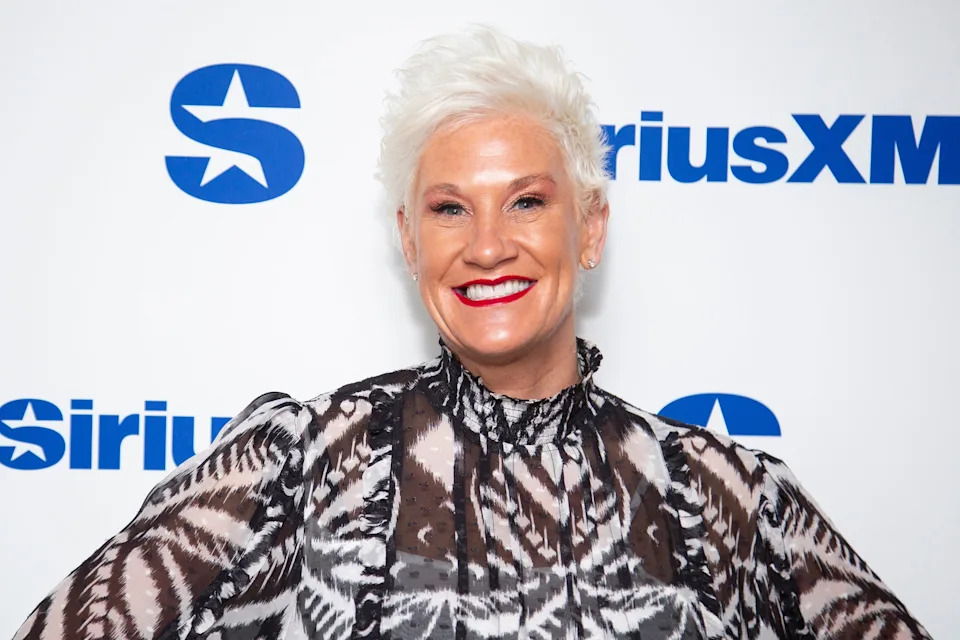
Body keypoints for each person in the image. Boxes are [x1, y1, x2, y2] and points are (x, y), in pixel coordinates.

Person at [14, 27, 930, 640]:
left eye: (527, 201)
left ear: (592, 226)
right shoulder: (304, 457)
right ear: (411, 242)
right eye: (450, 209)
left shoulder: (726, 493)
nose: (488, 245)